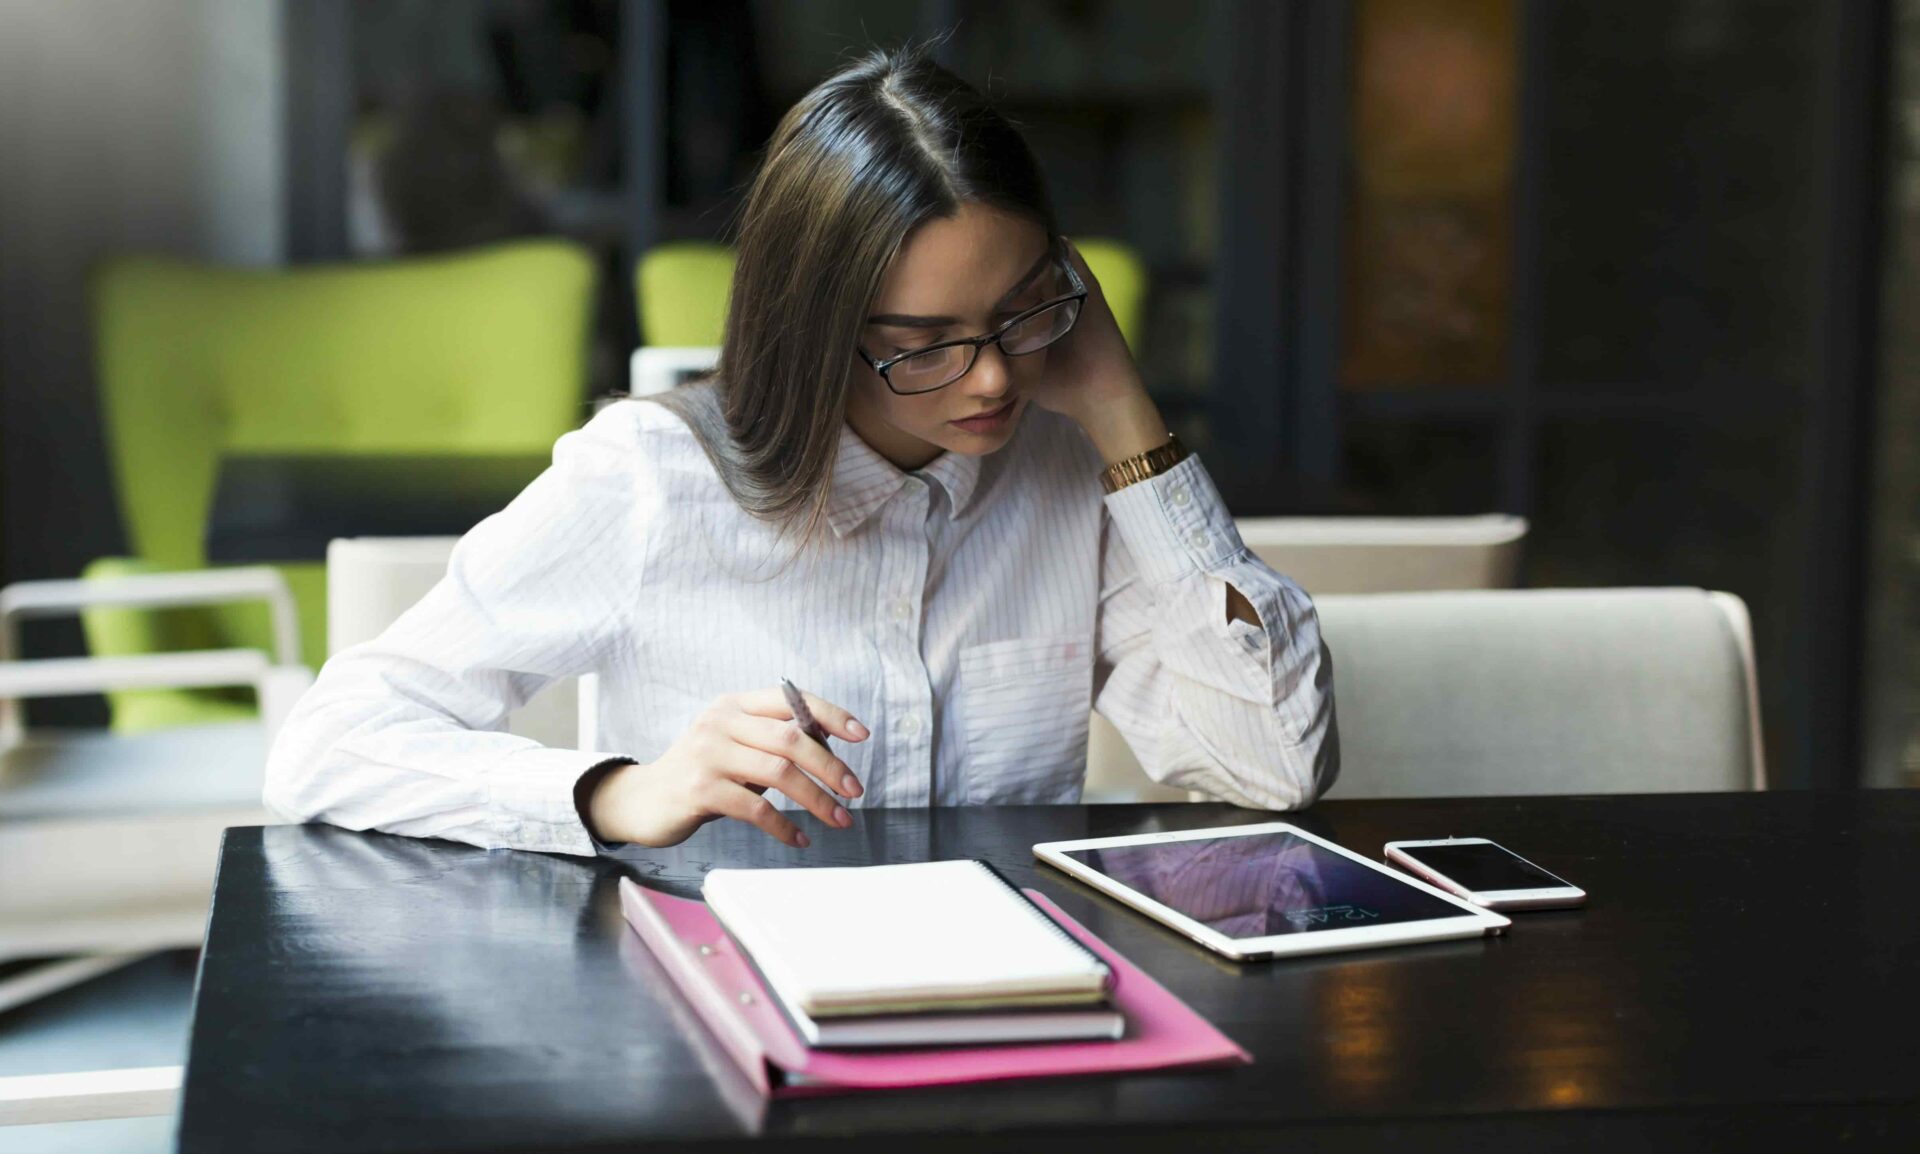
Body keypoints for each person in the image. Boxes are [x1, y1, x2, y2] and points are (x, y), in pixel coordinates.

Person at [264, 45, 1339, 858]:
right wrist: (614, 790)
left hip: (1013, 1016)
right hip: (717, 1031)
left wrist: (1116, 403)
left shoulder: (1064, 468)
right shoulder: (648, 479)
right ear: (818, 325)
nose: (995, 378)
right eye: (925, 345)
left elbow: (1278, 765)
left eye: (1024, 312)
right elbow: (328, 742)